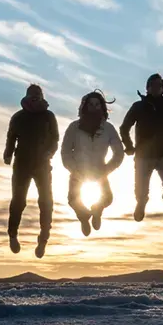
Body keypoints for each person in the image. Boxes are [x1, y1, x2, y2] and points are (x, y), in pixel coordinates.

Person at [119, 73, 163, 222]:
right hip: (143, 154)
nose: (156, 88)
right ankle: (141, 203)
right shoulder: (138, 106)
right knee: (141, 187)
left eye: (160, 86)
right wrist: (129, 146)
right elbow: (124, 128)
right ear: (147, 88)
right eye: (153, 86)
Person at [3, 84, 60, 256]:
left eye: (38, 95)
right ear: (27, 97)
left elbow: (55, 138)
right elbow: (11, 138)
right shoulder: (18, 117)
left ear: (42, 97)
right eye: (32, 95)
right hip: (22, 164)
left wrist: (49, 153)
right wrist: (8, 154)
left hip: (42, 164)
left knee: (46, 201)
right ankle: (13, 234)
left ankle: (43, 238)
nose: (35, 98)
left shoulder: (49, 116)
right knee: (19, 201)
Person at [62, 91, 125, 234]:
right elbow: (65, 152)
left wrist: (107, 169)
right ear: (85, 106)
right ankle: (84, 218)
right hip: (78, 171)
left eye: (97, 104)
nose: (94, 107)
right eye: (90, 104)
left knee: (108, 198)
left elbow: (119, 152)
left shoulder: (108, 128)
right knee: (73, 200)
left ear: (102, 107)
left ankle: (97, 209)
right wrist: (74, 169)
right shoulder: (74, 127)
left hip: (100, 170)